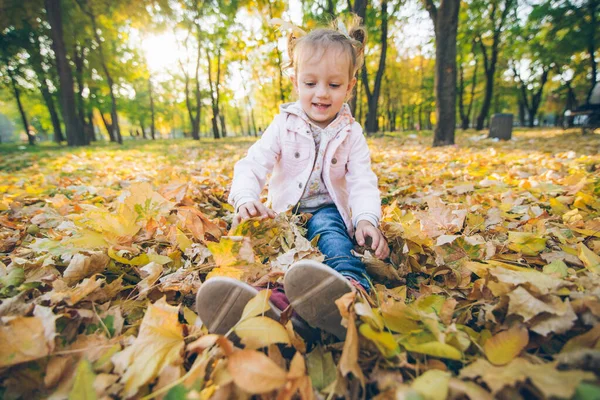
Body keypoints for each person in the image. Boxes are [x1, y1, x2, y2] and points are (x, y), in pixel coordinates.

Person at [196, 17, 390, 340]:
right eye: (311, 83)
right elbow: (253, 164)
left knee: (333, 242)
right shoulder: (283, 124)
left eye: (334, 84)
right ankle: (273, 302)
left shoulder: (351, 132)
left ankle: (350, 293)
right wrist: (246, 198)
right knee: (272, 256)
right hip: (283, 214)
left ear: (350, 86)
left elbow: (362, 180)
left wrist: (367, 219)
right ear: (296, 82)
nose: (321, 94)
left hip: (327, 212)